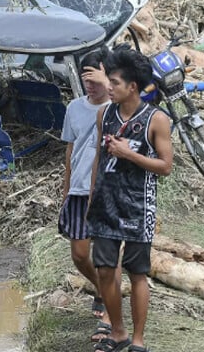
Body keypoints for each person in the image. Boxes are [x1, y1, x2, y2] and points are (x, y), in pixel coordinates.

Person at [87, 50, 174, 352]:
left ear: (132, 87)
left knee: (137, 272)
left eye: (114, 82)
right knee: (104, 269)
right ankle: (119, 332)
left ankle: (138, 340)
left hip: (139, 206)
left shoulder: (156, 119)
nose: (108, 87)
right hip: (106, 202)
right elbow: (98, 158)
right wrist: (91, 196)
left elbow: (166, 167)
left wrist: (130, 155)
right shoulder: (104, 114)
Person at [58, 49, 116, 344]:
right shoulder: (74, 108)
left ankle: (109, 313)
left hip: (108, 192)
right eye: (86, 80)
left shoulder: (117, 109)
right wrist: (66, 188)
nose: (90, 85)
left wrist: (107, 84)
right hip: (80, 190)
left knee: (108, 258)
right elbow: (71, 151)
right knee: (80, 255)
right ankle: (102, 289)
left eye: (95, 78)